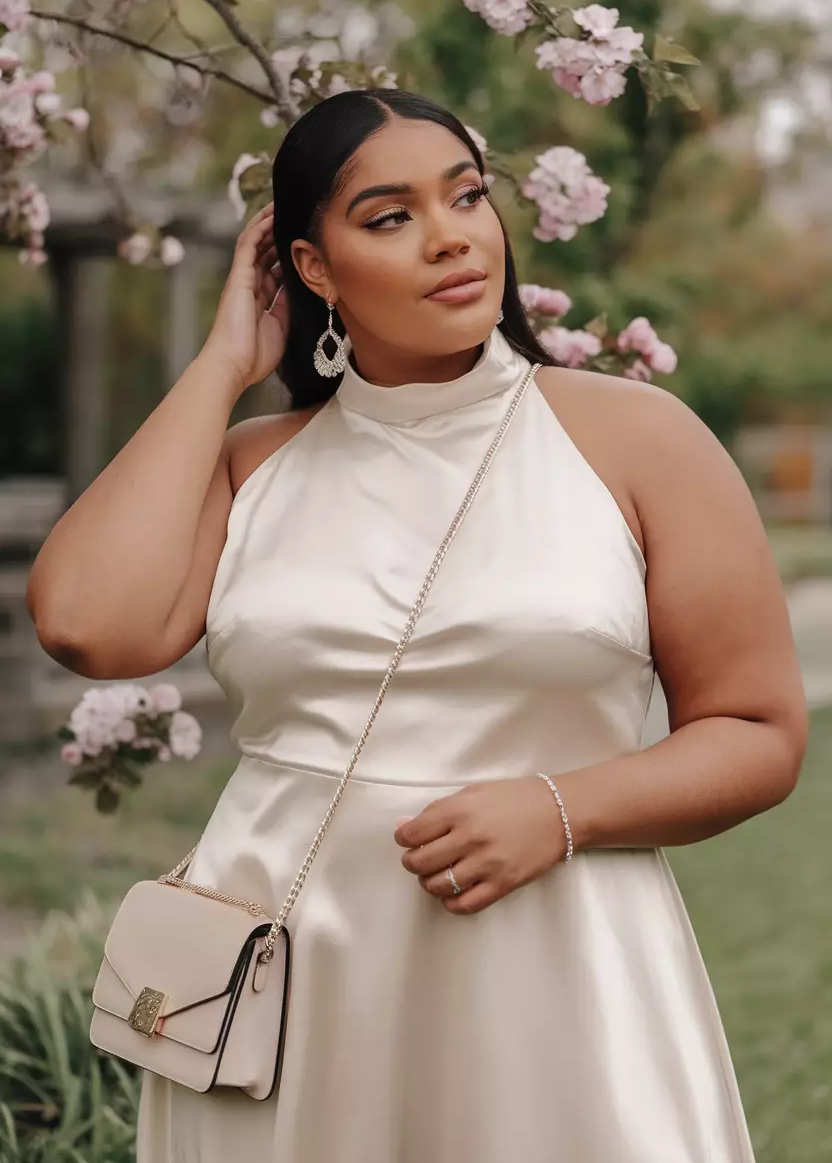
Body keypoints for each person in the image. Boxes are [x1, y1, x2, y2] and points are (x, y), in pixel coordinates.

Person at [27, 88, 807, 1161]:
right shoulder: (255, 463)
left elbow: (758, 731)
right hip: (287, 983)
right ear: (312, 269)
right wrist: (219, 369)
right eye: (389, 216)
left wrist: (560, 808)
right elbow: (83, 626)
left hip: (554, 964)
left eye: (468, 197)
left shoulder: (637, 440)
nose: (450, 237)